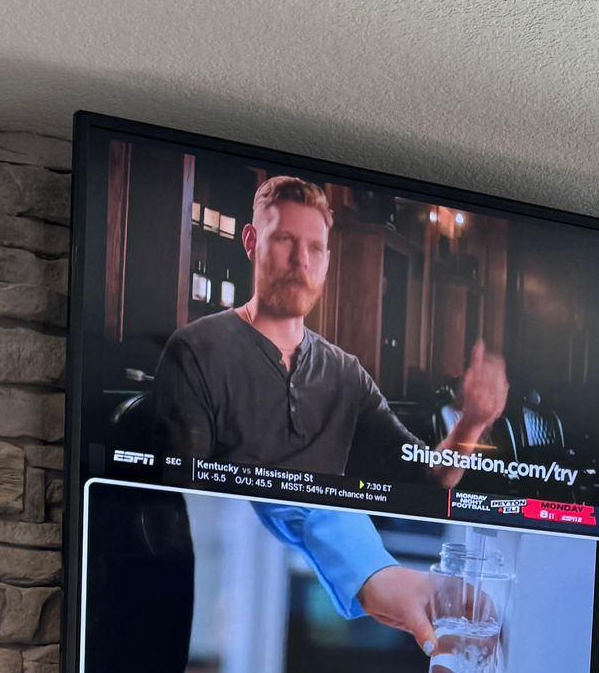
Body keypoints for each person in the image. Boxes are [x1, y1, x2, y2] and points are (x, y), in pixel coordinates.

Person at [154, 174, 508, 485]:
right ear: (250, 242)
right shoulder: (196, 350)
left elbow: (429, 479)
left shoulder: (346, 374)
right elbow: (180, 500)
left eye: (315, 248)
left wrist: (471, 424)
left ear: (326, 260)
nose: (301, 261)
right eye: (284, 239)